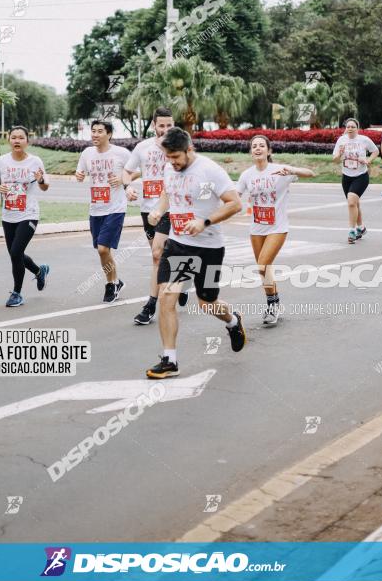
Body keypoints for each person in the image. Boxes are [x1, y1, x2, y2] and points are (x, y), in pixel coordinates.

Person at [145, 127, 245, 379]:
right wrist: (159, 210)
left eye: (176, 157)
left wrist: (205, 222)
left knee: (207, 303)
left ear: (190, 149)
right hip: (179, 244)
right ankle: (170, 359)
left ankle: (233, 320)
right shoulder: (170, 168)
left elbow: (235, 203)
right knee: (167, 297)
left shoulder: (209, 170)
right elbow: (168, 192)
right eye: (168, 157)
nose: (172, 163)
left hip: (209, 247)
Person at [236, 135, 315, 326]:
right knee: (264, 269)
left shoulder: (280, 170)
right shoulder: (247, 175)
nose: (257, 148)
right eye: (254, 146)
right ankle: (273, 302)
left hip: (277, 227)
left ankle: (273, 305)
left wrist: (293, 169)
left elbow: (310, 173)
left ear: (268, 151)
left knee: (263, 264)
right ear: (250, 152)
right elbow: (235, 196)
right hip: (256, 228)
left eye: (262, 145)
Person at [122, 107, 188, 325]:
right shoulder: (142, 147)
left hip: (172, 208)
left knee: (157, 254)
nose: (166, 129)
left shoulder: (181, 147)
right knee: (159, 255)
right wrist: (128, 187)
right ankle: (179, 278)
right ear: (154, 125)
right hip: (148, 210)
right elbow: (127, 171)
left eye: (170, 125)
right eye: (162, 125)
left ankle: (150, 304)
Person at [0, 125, 50, 307]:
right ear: (9, 140)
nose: (17, 140)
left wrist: (40, 180)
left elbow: (45, 186)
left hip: (28, 214)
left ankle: (17, 293)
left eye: (21, 137)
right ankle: (39, 271)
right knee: (16, 254)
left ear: (27, 141)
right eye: (13, 137)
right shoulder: (1, 161)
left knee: (15, 252)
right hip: (8, 215)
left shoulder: (35, 161)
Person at [75, 119, 131, 302]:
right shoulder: (87, 153)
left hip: (115, 208)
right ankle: (116, 281)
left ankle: (110, 284)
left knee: (102, 249)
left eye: (100, 131)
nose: (95, 135)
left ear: (109, 134)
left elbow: (135, 171)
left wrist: (123, 179)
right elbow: (80, 173)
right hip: (96, 209)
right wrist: (79, 175)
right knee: (104, 251)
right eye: (93, 131)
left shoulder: (121, 153)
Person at [332, 118, 379, 243]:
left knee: (352, 202)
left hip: (361, 176)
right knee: (355, 203)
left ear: (357, 128)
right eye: (348, 127)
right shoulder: (341, 140)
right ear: (345, 129)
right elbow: (335, 160)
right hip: (346, 177)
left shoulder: (364, 140)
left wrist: (368, 161)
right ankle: (361, 227)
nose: (350, 129)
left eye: (353, 126)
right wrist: (339, 154)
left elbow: (375, 151)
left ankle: (352, 231)